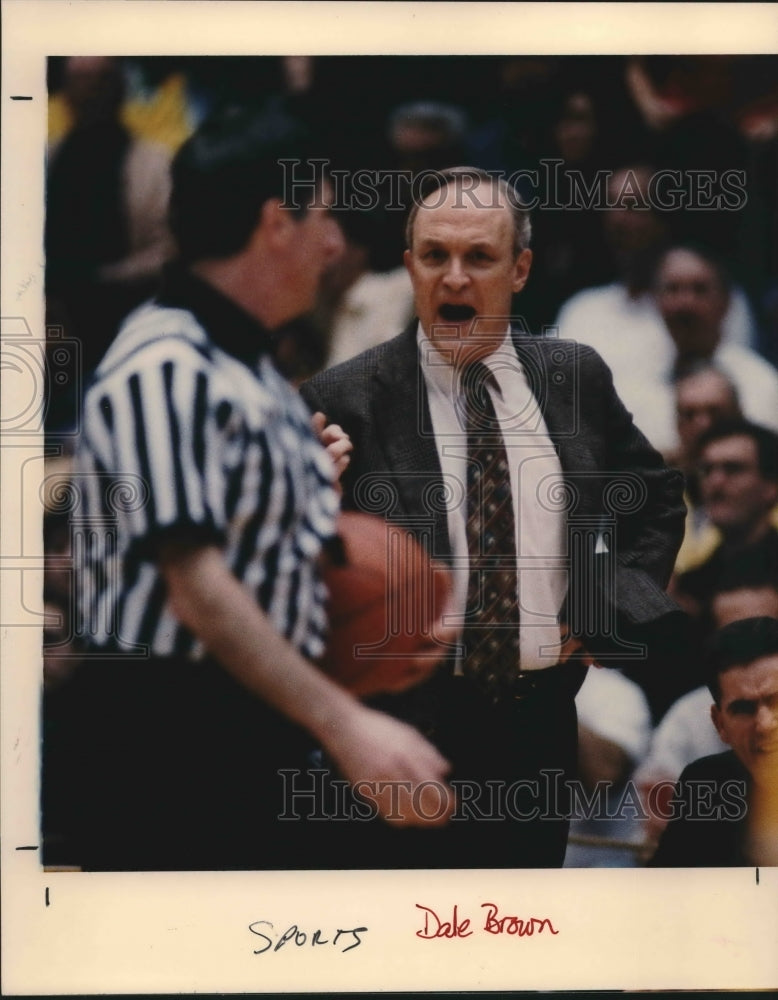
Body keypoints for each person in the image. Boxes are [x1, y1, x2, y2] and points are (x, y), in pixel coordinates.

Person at [42, 106, 457, 871]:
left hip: (243, 729)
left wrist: (400, 614)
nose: (336, 245)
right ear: (277, 221)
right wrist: (347, 724)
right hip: (164, 739)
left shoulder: (248, 366)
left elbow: (251, 549)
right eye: (325, 217)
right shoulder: (167, 360)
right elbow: (194, 584)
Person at [301, 166, 686, 868]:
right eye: (434, 255)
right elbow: (296, 572)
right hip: (410, 728)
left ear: (520, 269)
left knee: (516, 944)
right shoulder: (345, 396)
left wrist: (604, 606)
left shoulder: (575, 376)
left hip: (538, 720)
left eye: (479, 257)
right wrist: (310, 504)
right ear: (408, 261)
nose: (453, 277)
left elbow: (654, 496)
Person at [651, 616, 778, 867]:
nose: (764, 724)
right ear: (720, 724)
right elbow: (666, 894)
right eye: (743, 709)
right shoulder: (709, 784)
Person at [672, 419, 778, 621]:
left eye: (733, 469)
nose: (716, 482)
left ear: (771, 487)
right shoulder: (690, 588)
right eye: (707, 470)